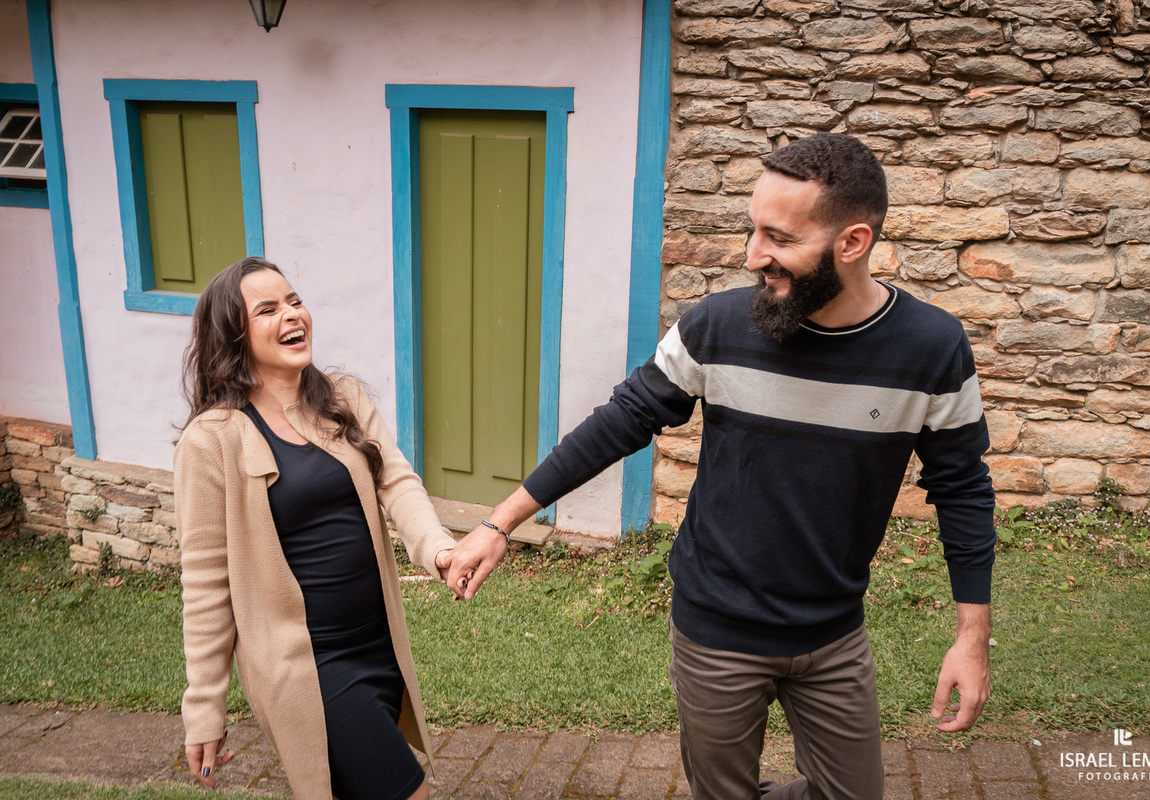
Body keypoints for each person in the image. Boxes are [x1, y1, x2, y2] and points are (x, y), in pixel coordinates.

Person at [447, 133, 996, 799]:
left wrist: (972, 638)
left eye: (778, 237)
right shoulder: (715, 328)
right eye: (751, 230)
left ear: (852, 243)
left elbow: (964, 488)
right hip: (716, 632)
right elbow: (621, 422)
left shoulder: (931, 349)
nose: (752, 255)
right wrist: (500, 523)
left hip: (833, 634)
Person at [174, 257, 459, 800]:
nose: (291, 314)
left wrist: (439, 550)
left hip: (377, 643)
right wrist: (204, 709)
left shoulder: (342, 398)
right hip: (308, 667)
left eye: (294, 300)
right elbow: (206, 586)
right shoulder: (211, 441)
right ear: (234, 333)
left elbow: (395, 481)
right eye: (268, 309)